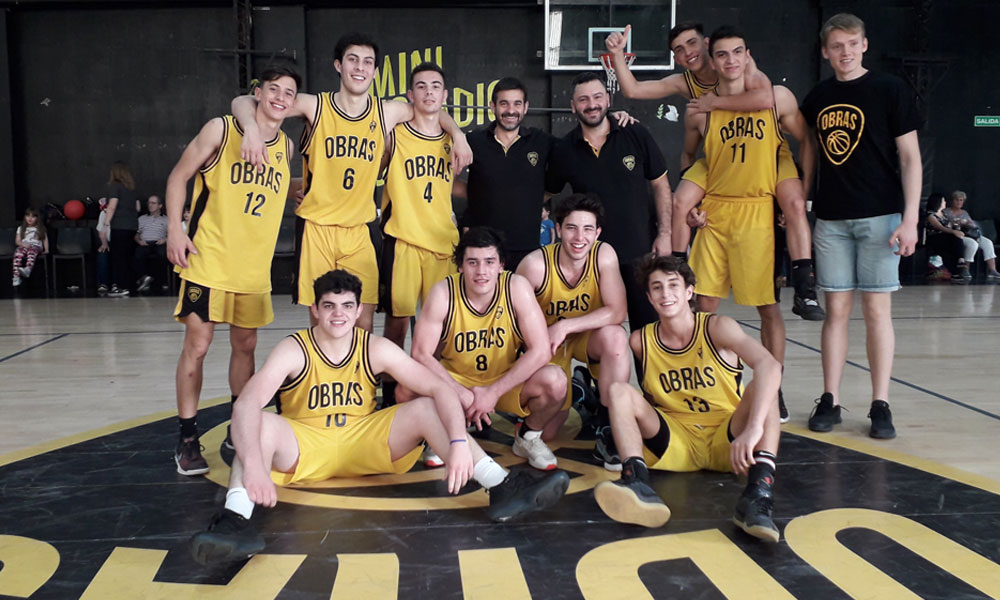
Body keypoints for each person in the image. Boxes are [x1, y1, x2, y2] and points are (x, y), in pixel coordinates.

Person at [189, 270, 570, 565]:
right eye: (329, 306)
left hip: (365, 442)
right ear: (315, 310)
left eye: (346, 306)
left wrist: (457, 441)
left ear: (359, 311)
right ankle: (235, 521)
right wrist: (256, 467)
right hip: (305, 445)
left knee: (425, 407)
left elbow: (439, 388)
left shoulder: (375, 347)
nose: (338, 314)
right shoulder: (294, 349)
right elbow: (245, 405)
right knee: (259, 425)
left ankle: (500, 485)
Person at [233, 33, 472, 332]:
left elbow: (431, 109)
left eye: (367, 62)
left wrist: (458, 135)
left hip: (359, 230)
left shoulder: (386, 112)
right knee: (322, 321)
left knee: (363, 322)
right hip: (317, 228)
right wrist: (251, 128)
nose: (360, 67)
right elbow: (245, 100)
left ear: (375, 71)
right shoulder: (315, 106)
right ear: (338, 65)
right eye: (353, 60)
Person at [606, 23, 825, 322]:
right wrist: (617, 55)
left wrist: (716, 102)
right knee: (681, 202)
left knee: (795, 204)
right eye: (679, 50)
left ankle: (804, 284)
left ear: (707, 44)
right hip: (719, 153)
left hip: (763, 151)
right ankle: (678, 270)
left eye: (692, 43)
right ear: (676, 59)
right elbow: (633, 89)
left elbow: (766, 99)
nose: (688, 52)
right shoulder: (686, 84)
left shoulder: (743, 68)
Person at [166, 66, 300, 476]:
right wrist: (174, 228)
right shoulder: (222, 130)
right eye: (273, 89)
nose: (280, 97)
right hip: (209, 259)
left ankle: (236, 429)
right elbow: (179, 176)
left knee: (245, 346)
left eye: (288, 92)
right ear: (258, 93)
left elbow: (273, 191)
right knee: (198, 344)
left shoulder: (286, 147)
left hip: (253, 269)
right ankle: (187, 437)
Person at [593, 255, 783, 542]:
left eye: (673, 285)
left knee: (763, 386)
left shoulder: (717, 328)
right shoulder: (640, 341)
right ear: (649, 298)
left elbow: (770, 365)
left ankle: (758, 496)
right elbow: (647, 400)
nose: (665, 293)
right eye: (657, 287)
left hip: (727, 439)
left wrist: (754, 428)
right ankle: (637, 483)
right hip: (676, 441)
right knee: (619, 391)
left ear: (689, 292)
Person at [678, 26, 814, 423]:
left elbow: (806, 140)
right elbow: (690, 159)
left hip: (756, 212)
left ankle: (773, 387)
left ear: (747, 55)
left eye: (737, 52)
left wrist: (800, 194)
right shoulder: (701, 110)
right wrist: (690, 206)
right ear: (712, 59)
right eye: (722, 54)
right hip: (716, 214)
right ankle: (708, 385)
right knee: (703, 307)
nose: (730, 60)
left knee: (767, 307)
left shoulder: (773, 99)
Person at [800, 13, 922, 439]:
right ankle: (830, 398)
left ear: (865, 45)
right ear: (825, 51)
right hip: (831, 219)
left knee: (876, 311)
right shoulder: (819, 96)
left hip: (881, 217)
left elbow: (910, 157)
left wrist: (911, 219)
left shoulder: (889, 89)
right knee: (835, 312)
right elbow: (810, 149)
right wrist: (802, 198)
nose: (845, 52)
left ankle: (880, 403)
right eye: (837, 46)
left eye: (852, 44)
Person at [404, 227, 568, 471]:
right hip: (455, 381)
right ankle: (442, 433)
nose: (481, 271)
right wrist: (461, 393)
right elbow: (420, 354)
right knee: (406, 389)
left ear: (501, 265)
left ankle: (528, 436)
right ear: (460, 266)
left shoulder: (516, 288)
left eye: (489, 262)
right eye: (472, 262)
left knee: (556, 381)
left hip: (503, 381)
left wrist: (492, 392)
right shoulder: (443, 293)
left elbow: (541, 350)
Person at [456, 77, 635, 269]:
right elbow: (444, 179)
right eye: (504, 103)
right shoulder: (474, 141)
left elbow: (578, 144)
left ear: (526, 107)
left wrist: (610, 119)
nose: (510, 110)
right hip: (482, 249)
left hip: (527, 249)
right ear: (493, 106)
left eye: (517, 103)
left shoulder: (541, 141)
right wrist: (479, 192)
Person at [546, 72, 673, 332]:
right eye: (583, 99)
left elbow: (661, 186)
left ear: (607, 99)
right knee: (602, 335)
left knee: (648, 333)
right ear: (573, 106)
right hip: (591, 259)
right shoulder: (564, 149)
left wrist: (665, 234)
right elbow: (546, 192)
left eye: (596, 97)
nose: (591, 104)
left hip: (640, 253)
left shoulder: (635, 133)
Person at [516, 194, 631, 470]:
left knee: (616, 337)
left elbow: (617, 311)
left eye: (588, 229)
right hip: (546, 344)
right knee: (549, 432)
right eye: (571, 228)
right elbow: (513, 323)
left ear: (597, 233)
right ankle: (579, 390)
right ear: (558, 229)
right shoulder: (534, 266)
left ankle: (608, 428)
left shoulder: (604, 255)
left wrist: (566, 325)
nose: (580, 237)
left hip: (584, 336)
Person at [379, 63, 459, 354]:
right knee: (397, 325)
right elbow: (367, 171)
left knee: (440, 327)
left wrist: (459, 134)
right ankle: (390, 383)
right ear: (410, 95)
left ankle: (432, 381)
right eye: (421, 86)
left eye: (436, 86)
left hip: (442, 242)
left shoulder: (453, 140)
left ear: (445, 95)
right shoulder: (394, 135)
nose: (429, 92)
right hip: (403, 241)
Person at [944, 190, 1000, 282]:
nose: (959, 202)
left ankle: (992, 270)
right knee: (972, 244)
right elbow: (944, 225)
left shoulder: (964, 213)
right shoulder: (946, 212)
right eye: (957, 200)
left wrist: (968, 223)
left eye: (961, 200)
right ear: (952, 200)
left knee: (988, 243)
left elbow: (973, 226)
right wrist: (955, 223)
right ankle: (965, 269)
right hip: (956, 236)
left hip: (969, 234)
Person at [104, 161, 140, 297]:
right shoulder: (132, 188)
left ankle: (120, 286)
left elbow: (112, 206)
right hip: (132, 225)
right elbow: (137, 207)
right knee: (128, 256)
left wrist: (106, 223)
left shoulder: (115, 186)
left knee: (118, 258)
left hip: (119, 225)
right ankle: (131, 285)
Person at [923, 193, 968, 283]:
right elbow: (940, 227)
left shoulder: (943, 214)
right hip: (934, 237)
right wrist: (953, 231)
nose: (945, 202)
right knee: (953, 238)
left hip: (946, 237)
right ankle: (960, 261)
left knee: (955, 240)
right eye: (943, 201)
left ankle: (958, 266)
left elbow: (949, 226)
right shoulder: (931, 215)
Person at [133, 195, 169, 294]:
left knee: (162, 254)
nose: (150, 205)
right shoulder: (142, 218)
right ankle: (144, 278)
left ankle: (159, 282)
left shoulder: (166, 219)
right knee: (138, 254)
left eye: (153, 203)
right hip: (145, 242)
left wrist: (165, 240)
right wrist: (139, 241)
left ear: (160, 205)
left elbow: (172, 235)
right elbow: (136, 235)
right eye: (149, 203)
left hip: (159, 242)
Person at [11, 207, 48, 288]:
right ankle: (16, 276)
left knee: (31, 252)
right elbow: (17, 241)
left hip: (35, 246)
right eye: (28, 216)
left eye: (33, 216)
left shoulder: (40, 228)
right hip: (24, 246)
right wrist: (23, 244)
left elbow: (45, 239)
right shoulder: (21, 228)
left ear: (37, 218)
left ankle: (28, 269)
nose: (30, 219)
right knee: (18, 253)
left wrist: (46, 249)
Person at [95, 198, 111, 296]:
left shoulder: (121, 214)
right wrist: (104, 244)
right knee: (102, 253)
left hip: (120, 241)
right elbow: (101, 231)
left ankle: (118, 284)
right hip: (107, 241)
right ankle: (103, 283)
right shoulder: (103, 214)